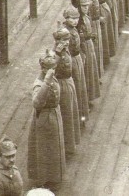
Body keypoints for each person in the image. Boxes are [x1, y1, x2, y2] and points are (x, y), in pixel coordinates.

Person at [27, 54, 65, 192]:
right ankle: (43, 179)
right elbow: (37, 103)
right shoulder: (39, 84)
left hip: (53, 115)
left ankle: (54, 177)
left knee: (54, 148)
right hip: (44, 118)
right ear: (43, 69)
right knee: (43, 150)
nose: (53, 70)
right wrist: (47, 82)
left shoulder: (51, 76)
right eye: (50, 68)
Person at [52, 28, 81, 156]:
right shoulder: (55, 54)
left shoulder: (65, 49)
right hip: (61, 85)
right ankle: (66, 146)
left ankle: (69, 144)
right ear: (57, 41)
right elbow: (51, 68)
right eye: (64, 40)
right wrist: (58, 54)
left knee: (70, 113)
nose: (67, 42)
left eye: (68, 39)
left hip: (68, 82)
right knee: (66, 115)